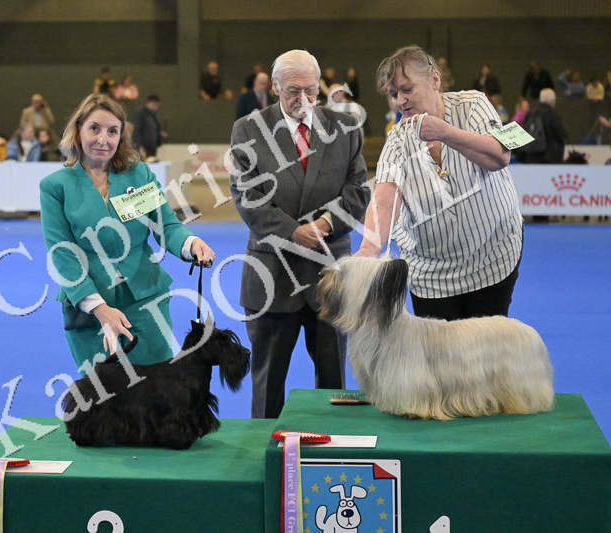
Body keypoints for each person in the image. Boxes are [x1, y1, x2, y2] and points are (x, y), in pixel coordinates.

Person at [228, 49, 370, 419]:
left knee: (334, 388)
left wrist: (325, 224)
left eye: (311, 90)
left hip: (330, 277)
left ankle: (336, 445)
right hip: (272, 276)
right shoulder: (248, 130)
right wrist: (294, 232)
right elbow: (247, 198)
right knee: (267, 391)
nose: (303, 100)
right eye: (293, 91)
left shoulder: (345, 128)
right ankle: (265, 449)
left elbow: (358, 191)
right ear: (274, 87)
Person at [39, 94, 215, 369]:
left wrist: (191, 243)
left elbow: (166, 225)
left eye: (113, 131)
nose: (103, 139)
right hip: (90, 307)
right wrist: (100, 309)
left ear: (121, 136)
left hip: (147, 299)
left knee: (156, 386)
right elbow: (62, 253)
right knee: (102, 392)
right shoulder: (54, 186)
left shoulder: (139, 174)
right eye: (94, 128)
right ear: (78, 130)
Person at [356, 44, 523, 324]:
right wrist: (368, 249)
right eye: (394, 94)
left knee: (484, 350)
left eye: (407, 89)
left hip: (493, 256)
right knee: (437, 353)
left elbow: (500, 157)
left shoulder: (474, 104)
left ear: (435, 79)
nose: (400, 101)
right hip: (431, 276)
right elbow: (384, 200)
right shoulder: (397, 140)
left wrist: (445, 132)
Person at [519, 88, 567, 164]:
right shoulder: (553, 115)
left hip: (531, 157)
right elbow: (562, 134)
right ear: (552, 101)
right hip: (550, 158)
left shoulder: (530, 114)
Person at [131, 94, 166, 160]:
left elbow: (153, 130)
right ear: (150, 102)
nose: (156, 108)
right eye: (155, 105)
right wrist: (139, 146)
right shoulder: (141, 113)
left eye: (157, 106)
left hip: (152, 147)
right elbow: (137, 131)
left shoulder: (154, 116)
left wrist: (159, 134)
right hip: (143, 148)